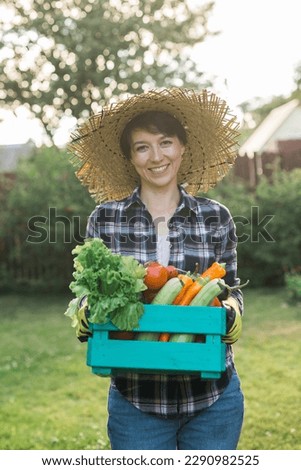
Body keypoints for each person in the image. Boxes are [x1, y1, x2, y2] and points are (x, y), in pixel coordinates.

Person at [68, 88, 244, 450]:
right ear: (130, 158)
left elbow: (232, 288)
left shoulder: (216, 217)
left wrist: (231, 313)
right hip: (136, 401)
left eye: (166, 142)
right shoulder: (105, 219)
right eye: (142, 146)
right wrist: (87, 313)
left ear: (182, 147)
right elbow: (88, 290)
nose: (156, 156)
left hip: (213, 398)